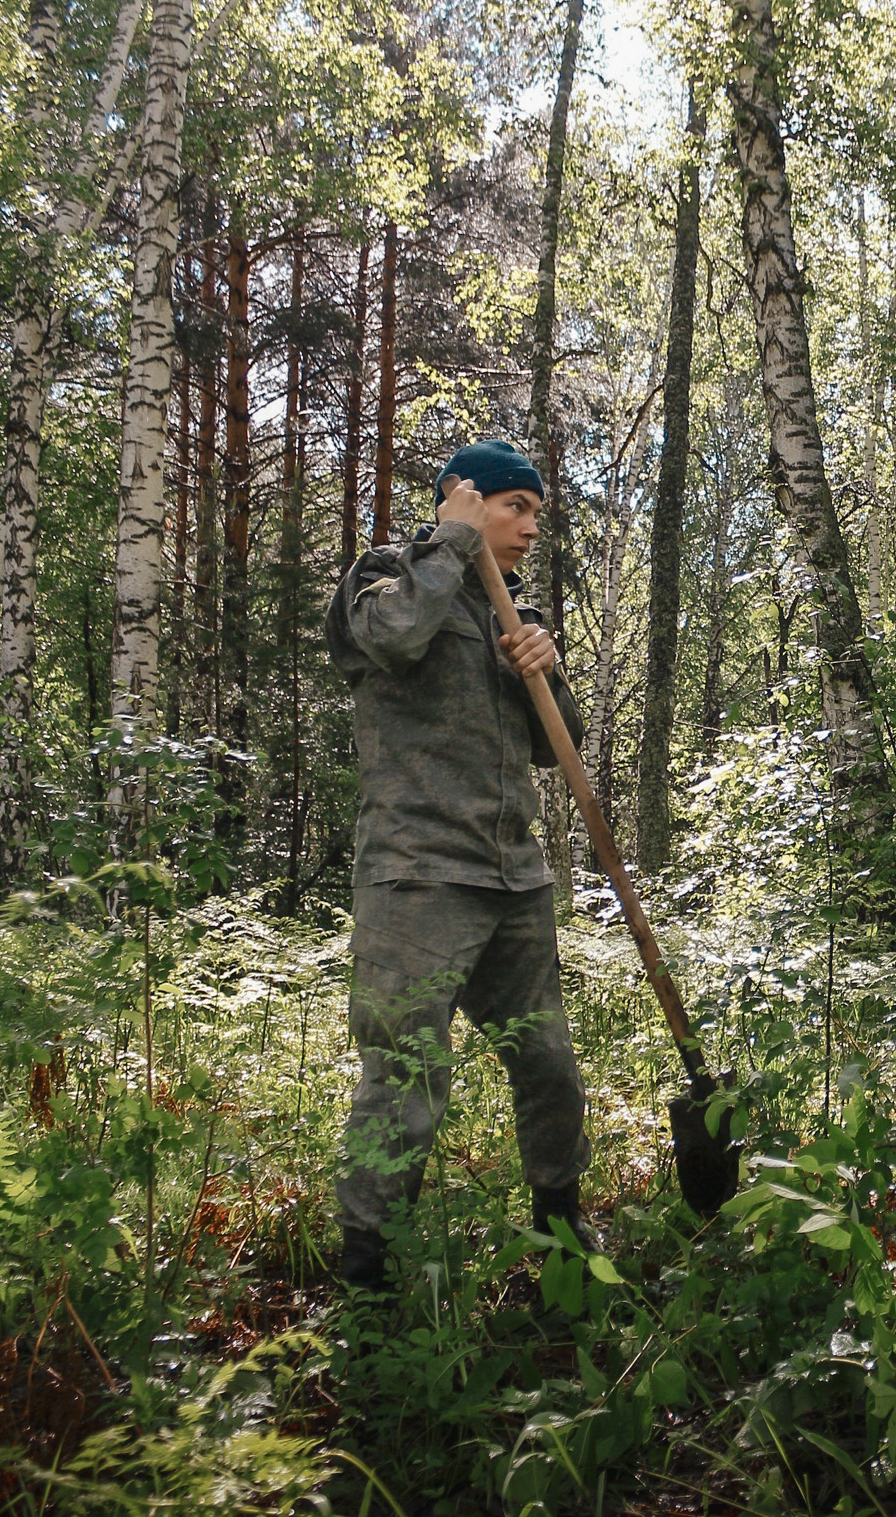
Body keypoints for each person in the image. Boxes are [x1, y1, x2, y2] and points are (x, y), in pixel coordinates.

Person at [325, 439, 594, 1292]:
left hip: (515, 875)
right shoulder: (385, 577)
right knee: (406, 1077)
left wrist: (545, 674)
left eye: (536, 514)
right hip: (417, 876)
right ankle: (368, 1273)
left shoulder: (511, 610)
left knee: (548, 1062)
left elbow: (562, 749)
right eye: (517, 508)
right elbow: (398, 638)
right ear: (465, 499)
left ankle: (563, 1231)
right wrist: (451, 543)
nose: (530, 528)